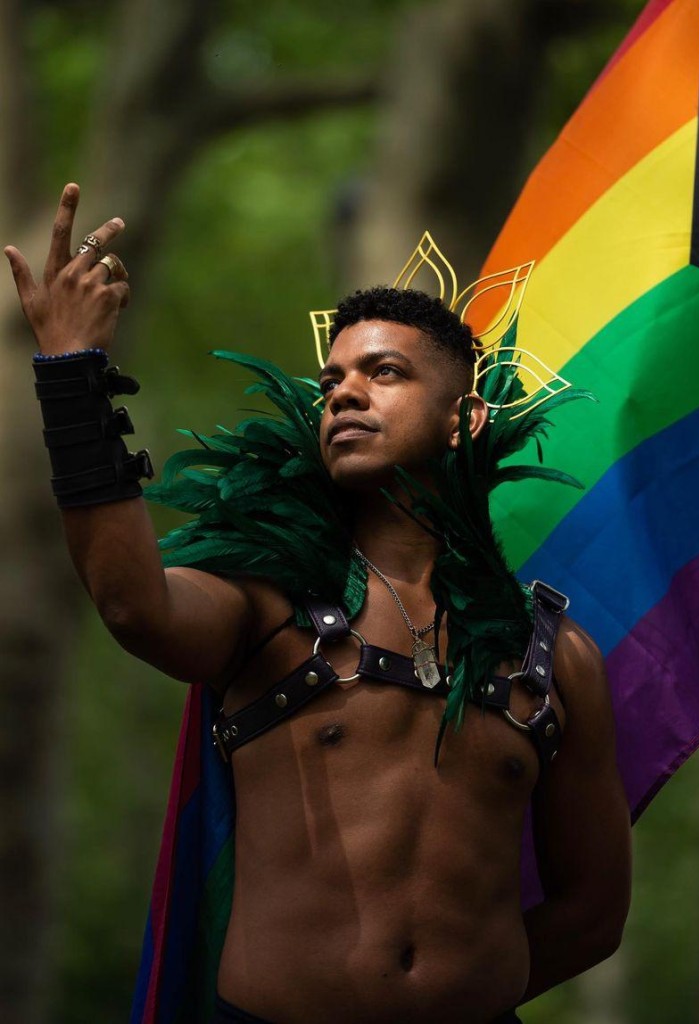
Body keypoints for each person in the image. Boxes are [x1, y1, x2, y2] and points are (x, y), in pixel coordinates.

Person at [5, 183, 632, 1024]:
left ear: (464, 420)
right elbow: (131, 606)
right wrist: (72, 375)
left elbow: (593, 912)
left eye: (385, 373)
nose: (343, 393)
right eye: (332, 379)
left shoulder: (556, 656)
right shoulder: (266, 601)